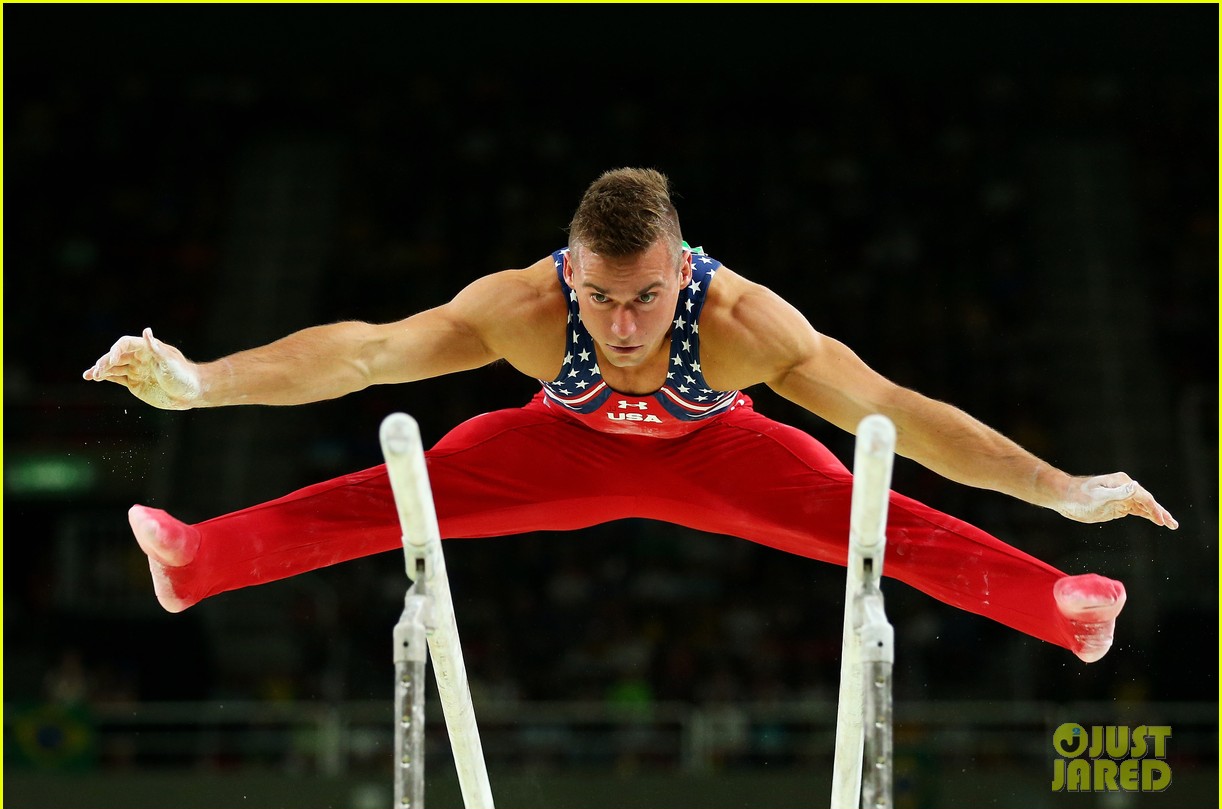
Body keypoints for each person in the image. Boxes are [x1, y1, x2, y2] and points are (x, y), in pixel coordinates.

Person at [83, 167, 1178, 664]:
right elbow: (364, 353)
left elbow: (895, 409)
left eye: (645, 297)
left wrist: (1059, 488)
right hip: (548, 448)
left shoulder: (744, 322)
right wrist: (202, 380)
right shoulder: (522, 305)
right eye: (599, 296)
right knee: (397, 491)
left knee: (872, 515)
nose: (618, 323)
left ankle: (1061, 605)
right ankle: (201, 559)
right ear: (570, 267)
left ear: (681, 268)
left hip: (722, 453)